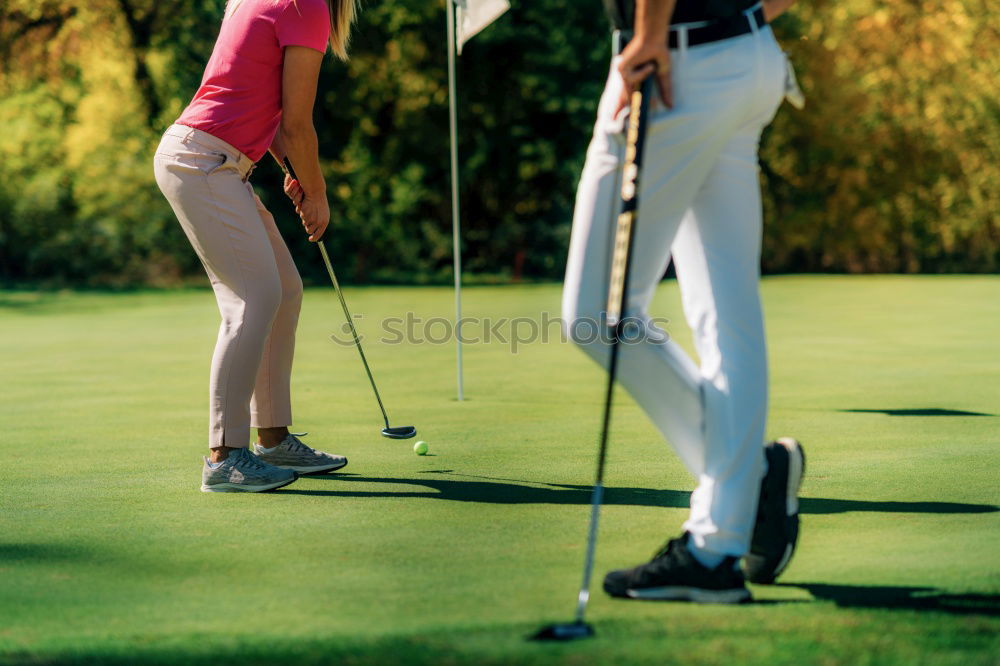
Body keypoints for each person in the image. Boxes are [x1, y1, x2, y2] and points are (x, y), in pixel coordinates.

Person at [562, 0, 805, 601]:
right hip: (747, 59)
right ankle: (724, 532)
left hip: (673, 65)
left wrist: (648, 35)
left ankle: (740, 499)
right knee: (726, 312)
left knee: (595, 317)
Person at [153, 0, 356, 492]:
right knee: (252, 300)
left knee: (284, 290)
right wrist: (319, 194)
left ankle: (273, 438)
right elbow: (297, 124)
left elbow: (267, 110)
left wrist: (297, 176)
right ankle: (224, 458)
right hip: (202, 163)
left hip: (218, 164)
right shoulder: (304, 5)